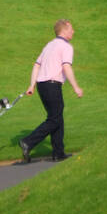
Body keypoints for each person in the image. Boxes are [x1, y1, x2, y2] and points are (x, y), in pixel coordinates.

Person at [19, 20, 82, 163]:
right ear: (64, 30)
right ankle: (28, 142)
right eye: (71, 29)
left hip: (42, 86)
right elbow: (66, 67)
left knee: (57, 117)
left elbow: (36, 65)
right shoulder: (66, 46)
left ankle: (58, 153)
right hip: (52, 85)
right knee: (54, 119)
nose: (73, 31)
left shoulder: (49, 45)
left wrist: (32, 85)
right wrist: (76, 87)